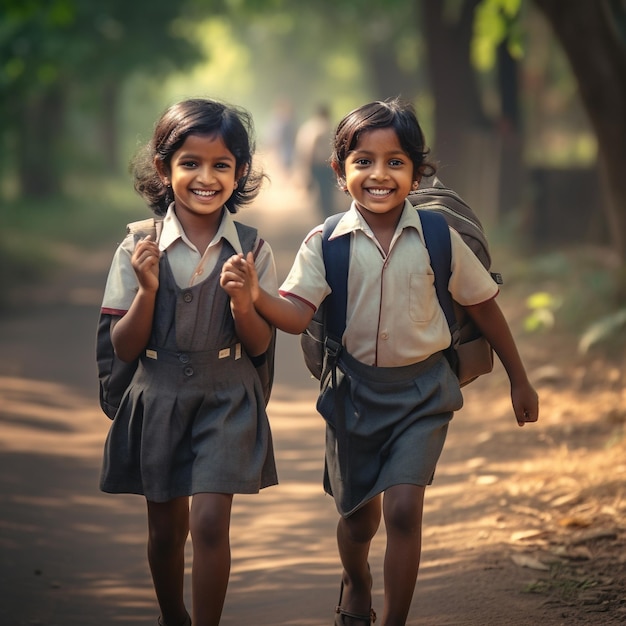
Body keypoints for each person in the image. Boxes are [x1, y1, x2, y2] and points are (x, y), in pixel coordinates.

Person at [221, 97, 539, 626]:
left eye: (396, 162)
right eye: (363, 160)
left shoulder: (441, 238)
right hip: (353, 396)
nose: (379, 174)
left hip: (424, 393)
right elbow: (297, 317)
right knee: (357, 520)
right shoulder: (324, 243)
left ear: (417, 173)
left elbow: (485, 308)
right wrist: (255, 294)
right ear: (339, 172)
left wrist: (519, 381)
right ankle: (358, 578)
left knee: (404, 509)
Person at [99, 98, 278, 626]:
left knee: (209, 523)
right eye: (190, 164)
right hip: (159, 396)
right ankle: (172, 614)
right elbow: (122, 346)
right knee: (165, 530)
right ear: (164, 168)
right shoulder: (137, 247)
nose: (206, 177)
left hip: (226, 398)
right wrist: (147, 291)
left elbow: (262, 344)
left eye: (221, 164)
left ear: (240, 171)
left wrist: (246, 303)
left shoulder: (251, 249)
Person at [294, 103, 337, 218]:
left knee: (322, 190)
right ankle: (327, 213)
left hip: (317, 164)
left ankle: (325, 214)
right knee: (327, 190)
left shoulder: (310, 128)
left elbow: (307, 149)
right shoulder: (329, 126)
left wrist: (305, 166)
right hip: (327, 164)